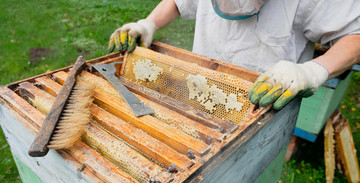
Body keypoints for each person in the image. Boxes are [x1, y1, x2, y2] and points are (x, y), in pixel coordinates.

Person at [108, 0, 360, 110]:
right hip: (197, 89)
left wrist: (313, 70)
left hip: (264, 106)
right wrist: (148, 23)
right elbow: (178, 1)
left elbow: (354, 34)